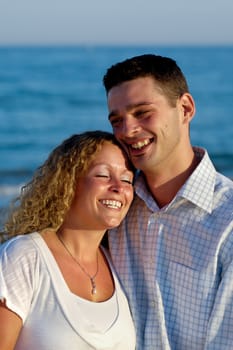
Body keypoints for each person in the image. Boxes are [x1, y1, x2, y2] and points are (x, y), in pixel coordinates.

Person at [103, 54, 233, 349]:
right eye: (116, 120)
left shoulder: (228, 221)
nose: (127, 130)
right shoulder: (114, 207)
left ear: (185, 108)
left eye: (142, 113)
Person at [0, 130, 136, 350]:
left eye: (127, 179)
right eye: (103, 175)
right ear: (68, 182)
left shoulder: (117, 264)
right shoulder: (23, 257)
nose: (118, 188)